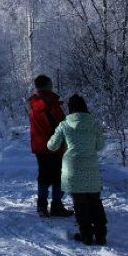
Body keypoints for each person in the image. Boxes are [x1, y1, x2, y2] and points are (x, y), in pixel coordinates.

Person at [47, 94, 107, 246]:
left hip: (72, 169)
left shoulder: (64, 125)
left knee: (80, 204)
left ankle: (86, 235)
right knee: (95, 202)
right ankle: (101, 235)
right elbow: (100, 146)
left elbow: (51, 146)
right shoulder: (94, 124)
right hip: (91, 169)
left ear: (70, 109)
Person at [28, 75, 74, 218]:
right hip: (55, 145)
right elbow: (61, 125)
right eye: (51, 83)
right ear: (48, 85)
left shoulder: (33, 104)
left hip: (39, 146)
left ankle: (41, 205)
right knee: (58, 176)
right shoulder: (51, 103)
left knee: (43, 175)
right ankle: (56, 205)